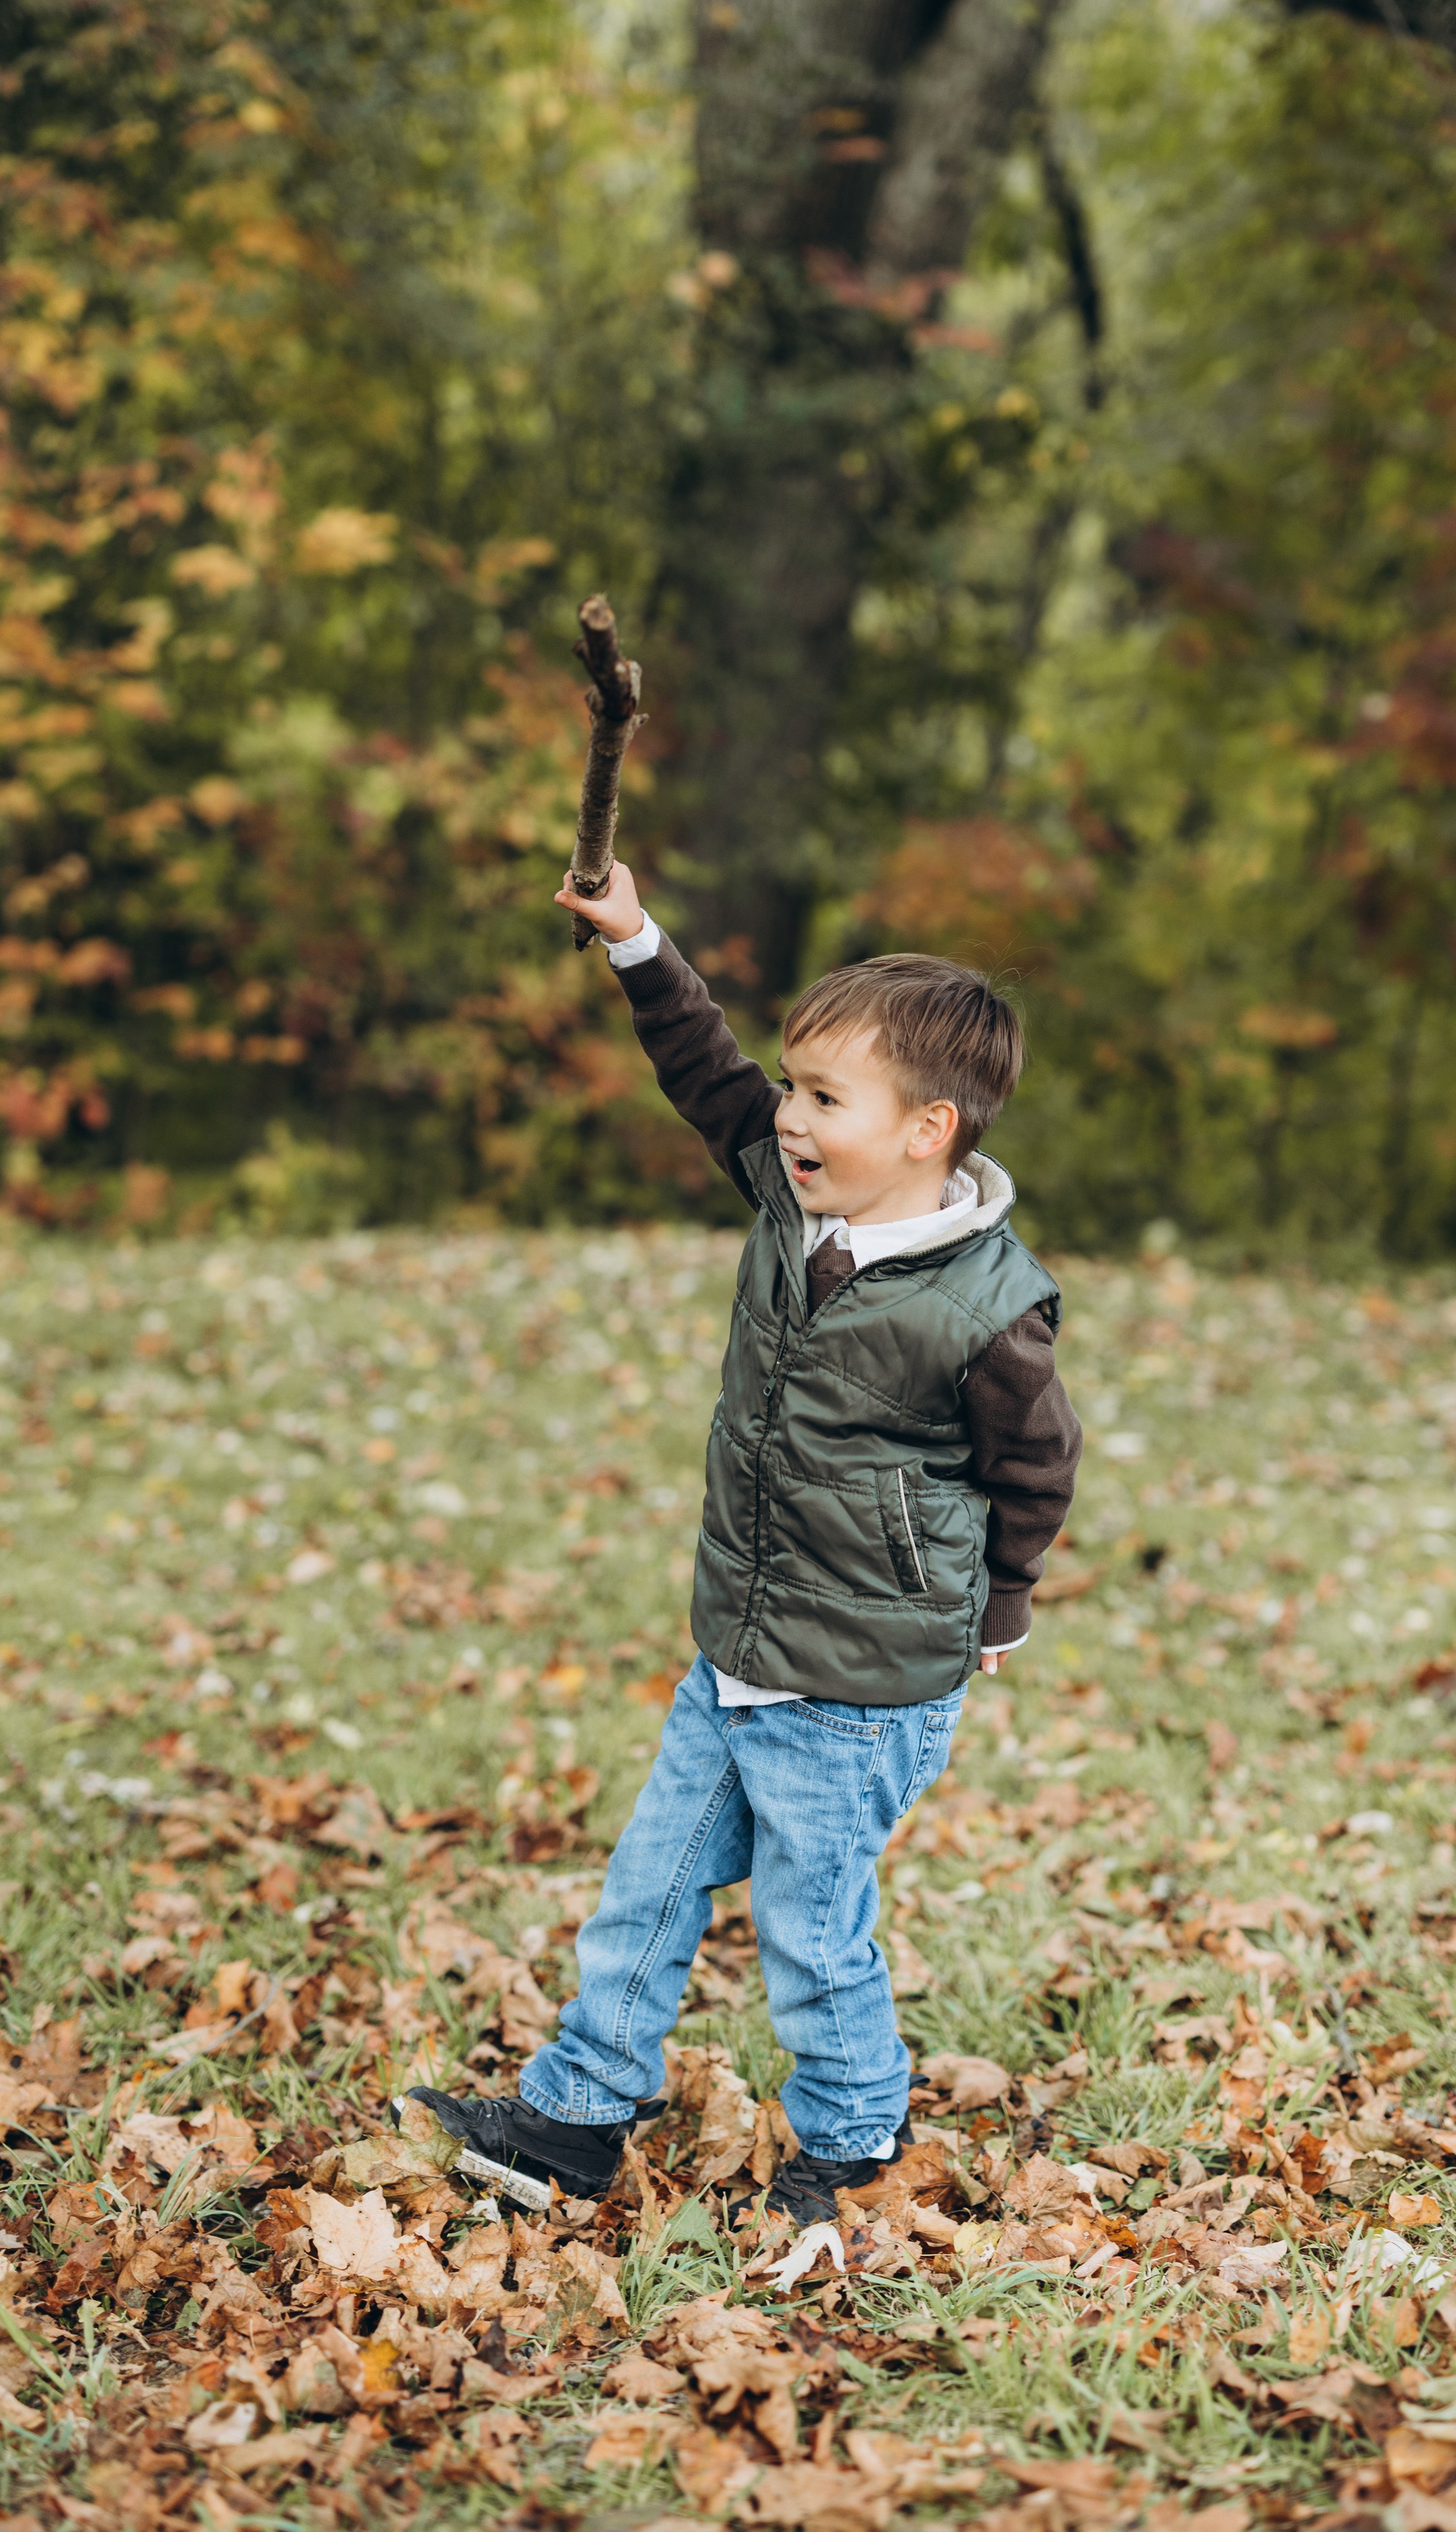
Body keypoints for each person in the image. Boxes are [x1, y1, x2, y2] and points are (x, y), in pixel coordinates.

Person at [395, 865, 1082, 2224]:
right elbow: (703, 1073)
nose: (787, 1114)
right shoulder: (789, 1197)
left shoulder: (985, 1308)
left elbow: (1034, 1470)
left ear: (925, 1129)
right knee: (645, 1890)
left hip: (861, 1683)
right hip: (740, 1648)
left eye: (826, 1097)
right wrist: (637, 946)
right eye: (794, 1085)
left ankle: (851, 2147)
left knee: (810, 1939)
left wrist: (998, 1610)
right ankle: (575, 2120)